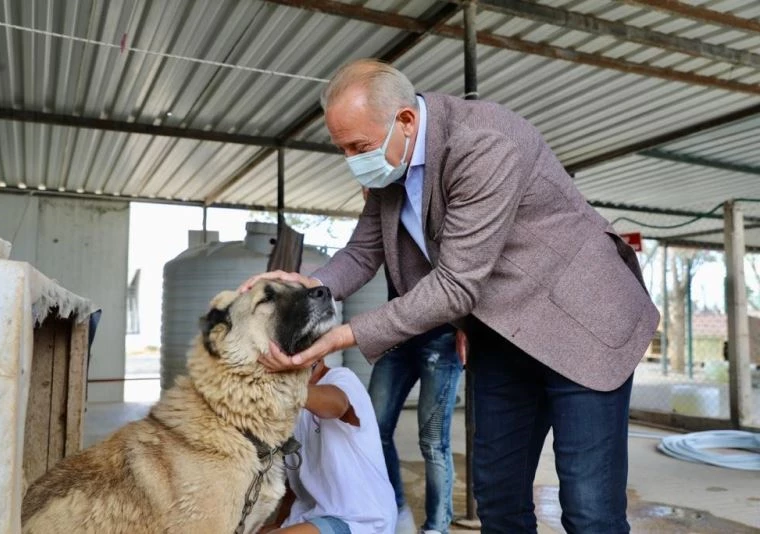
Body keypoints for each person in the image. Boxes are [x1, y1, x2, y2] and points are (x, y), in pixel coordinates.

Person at [242, 58, 660, 533]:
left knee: (589, 509)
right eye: (343, 149)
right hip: (505, 336)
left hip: (581, 325)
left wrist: (341, 336)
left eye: (358, 146)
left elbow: (455, 286)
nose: (353, 161)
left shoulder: (483, 143)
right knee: (498, 498)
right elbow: (360, 254)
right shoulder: (391, 172)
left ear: (405, 120)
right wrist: (301, 290)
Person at [362, 183, 463, 534]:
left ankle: (437, 527)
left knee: (433, 441)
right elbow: (359, 257)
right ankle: (398, 511)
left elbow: (464, 275)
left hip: (441, 337)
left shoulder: (434, 213)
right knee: (374, 428)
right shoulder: (380, 219)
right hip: (399, 336)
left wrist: (468, 325)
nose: (368, 193)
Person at [263, 358, 397, 534]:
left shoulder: (342, 379)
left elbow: (339, 406)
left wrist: (285, 385)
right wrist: (280, 523)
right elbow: (297, 483)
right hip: (314, 515)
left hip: (360, 519)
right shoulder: (289, 406)